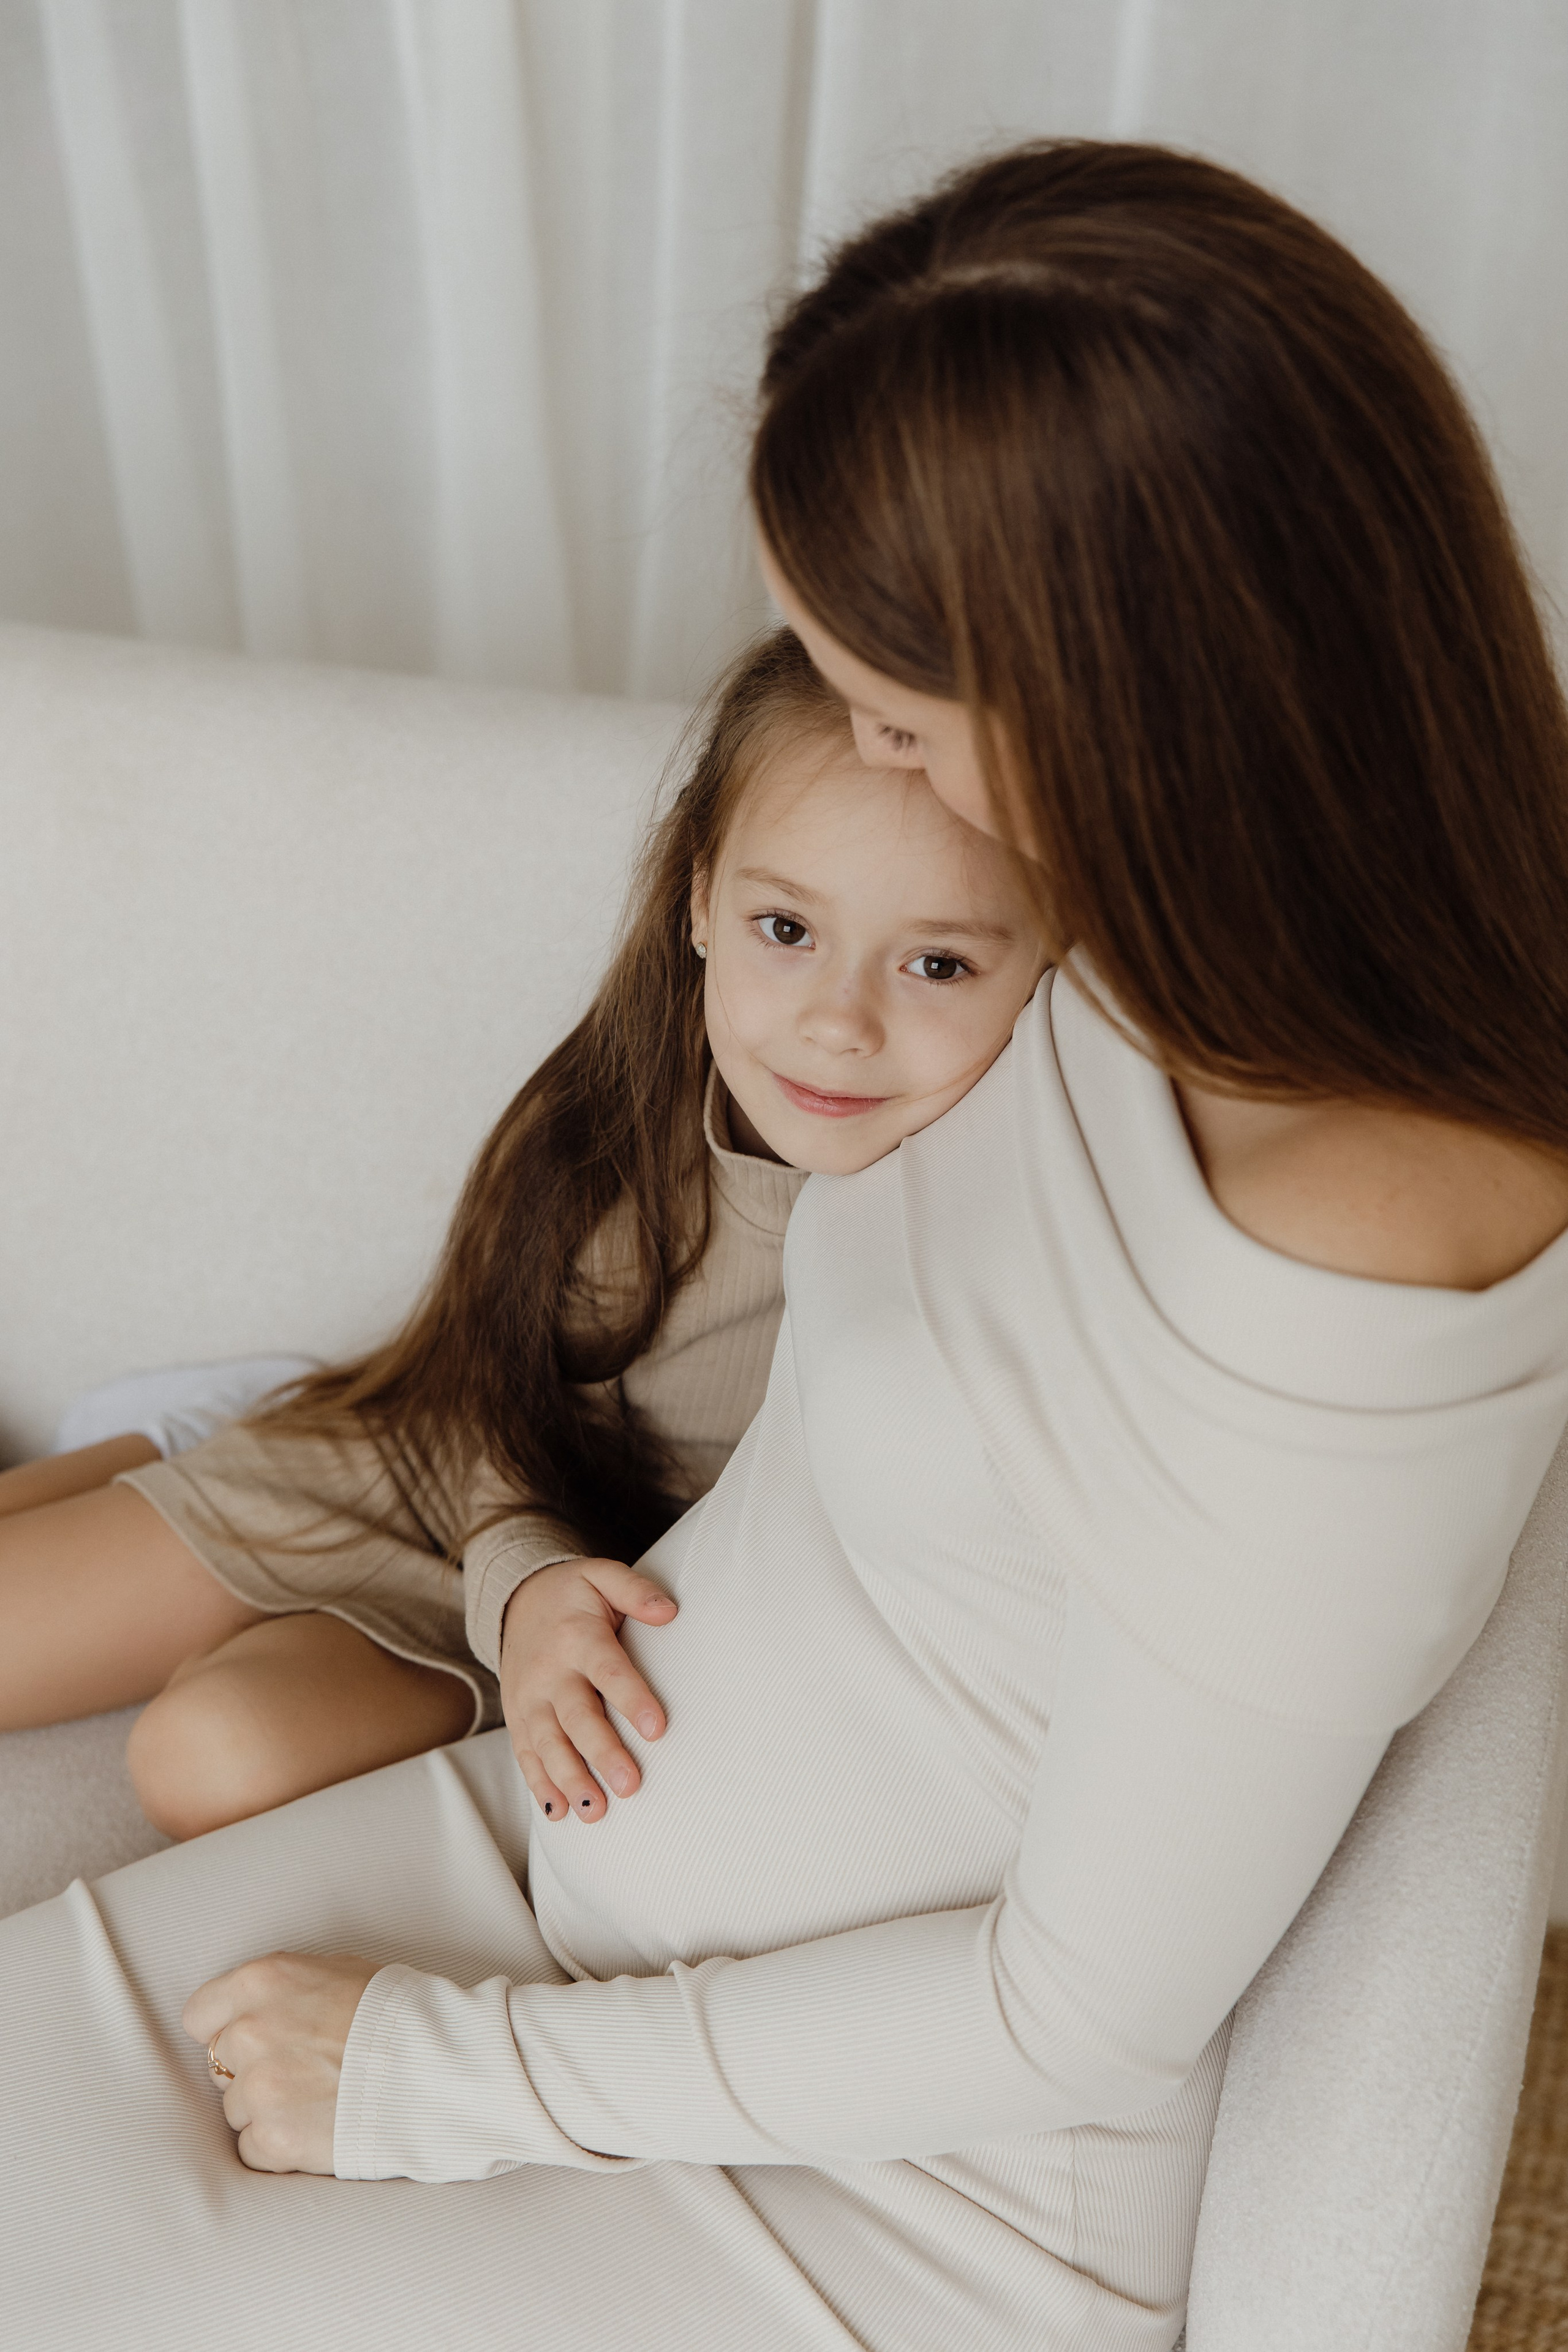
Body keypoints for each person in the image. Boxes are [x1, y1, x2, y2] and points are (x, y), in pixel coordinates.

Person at [3, 138, 1568, 2352]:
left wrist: (449, 2078)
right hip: (561, 1864)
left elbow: (1078, 2016)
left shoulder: (1362, 1239)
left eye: (902, 716)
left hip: (873, 2189)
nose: (866, 753)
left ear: (1137, 701)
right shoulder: (1151, 940)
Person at [0, 628, 1044, 1838]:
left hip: (566, 1596)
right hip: (443, 1468)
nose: (839, 1024)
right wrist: (521, 1572)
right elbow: (498, 1406)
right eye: (787, 932)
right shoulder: (626, 1126)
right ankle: (203, 1433)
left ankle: (174, 1445)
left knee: (210, 1759)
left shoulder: (985, 1230)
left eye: (934, 962)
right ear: (702, 900)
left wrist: (531, 1604)